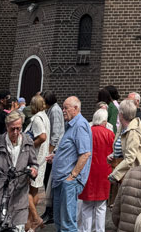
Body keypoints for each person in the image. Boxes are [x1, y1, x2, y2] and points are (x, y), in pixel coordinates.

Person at [0, 109, 39, 232]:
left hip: (18, 194)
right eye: (12, 129)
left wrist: (34, 170)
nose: (16, 132)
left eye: (18, 128)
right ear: (7, 127)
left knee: (17, 227)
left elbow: (34, 163)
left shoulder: (27, 142)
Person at [51, 96, 93, 232]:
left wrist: (72, 176)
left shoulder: (80, 125)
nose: (63, 110)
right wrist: (56, 157)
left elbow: (85, 153)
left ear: (75, 108)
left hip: (67, 182)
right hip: (61, 181)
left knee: (67, 224)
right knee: (59, 222)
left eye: (65, 108)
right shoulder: (71, 125)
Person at [78, 107, 115, 232]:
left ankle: (85, 230)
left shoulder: (87, 132)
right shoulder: (110, 134)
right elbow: (114, 153)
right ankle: (99, 230)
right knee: (101, 206)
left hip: (88, 171)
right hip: (104, 172)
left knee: (86, 205)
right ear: (104, 121)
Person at [108, 98, 141, 183]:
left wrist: (115, 174)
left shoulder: (133, 133)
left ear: (121, 114)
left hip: (131, 177)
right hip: (123, 176)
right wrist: (113, 155)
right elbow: (123, 150)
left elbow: (130, 158)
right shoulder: (122, 129)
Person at [41, 90, 65, 226]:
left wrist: (48, 152)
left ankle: (51, 212)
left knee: (49, 182)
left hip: (53, 151)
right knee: (47, 182)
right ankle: (49, 210)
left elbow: (55, 134)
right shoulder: (51, 110)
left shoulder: (55, 111)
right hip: (51, 150)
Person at [26, 94, 50, 230]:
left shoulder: (37, 119)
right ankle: (30, 223)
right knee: (34, 190)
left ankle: (35, 218)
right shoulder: (45, 117)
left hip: (34, 159)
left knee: (25, 189)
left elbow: (42, 136)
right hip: (41, 158)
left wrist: (30, 146)